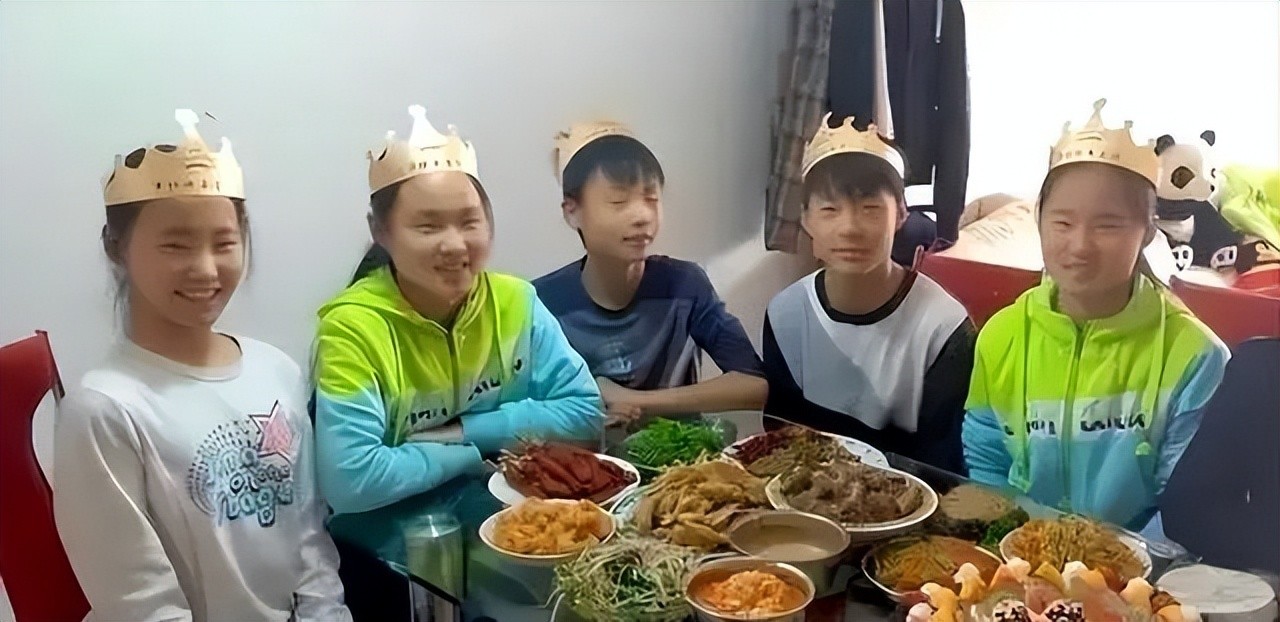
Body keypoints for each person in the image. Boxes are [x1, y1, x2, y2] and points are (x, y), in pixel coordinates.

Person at [54, 109, 349, 621]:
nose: (206, 268)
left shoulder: (275, 371)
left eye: (225, 242)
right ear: (116, 248)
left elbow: (309, 543)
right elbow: (139, 603)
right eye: (176, 245)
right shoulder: (105, 410)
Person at [313, 106, 603, 516]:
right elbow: (352, 480)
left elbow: (586, 414)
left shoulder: (516, 302)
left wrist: (463, 432)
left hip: (511, 522)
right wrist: (468, 457)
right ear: (381, 231)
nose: (454, 245)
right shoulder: (352, 329)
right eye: (428, 227)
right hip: (392, 537)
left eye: (469, 222)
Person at [963, 99, 1230, 531]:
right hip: (1019, 552)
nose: (1080, 245)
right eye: (1062, 223)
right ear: (1040, 221)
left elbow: (1184, 502)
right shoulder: (1000, 336)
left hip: (1139, 562)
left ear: (1147, 231)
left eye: (1107, 226)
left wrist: (1117, 560)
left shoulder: (1196, 356)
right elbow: (988, 459)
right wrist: (1011, 542)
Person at [762, 114, 974, 473]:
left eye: (870, 209)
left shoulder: (943, 329)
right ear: (806, 219)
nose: (850, 228)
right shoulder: (787, 315)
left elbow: (942, 465)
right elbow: (782, 438)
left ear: (901, 214)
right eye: (830, 210)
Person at [533, 121, 766, 430]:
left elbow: (753, 385)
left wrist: (637, 401)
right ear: (572, 212)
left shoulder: (684, 285)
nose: (642, 216)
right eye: (619, 201)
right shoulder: (542, 303)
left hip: (682, 456)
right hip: (587, 458)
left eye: (651, 199)